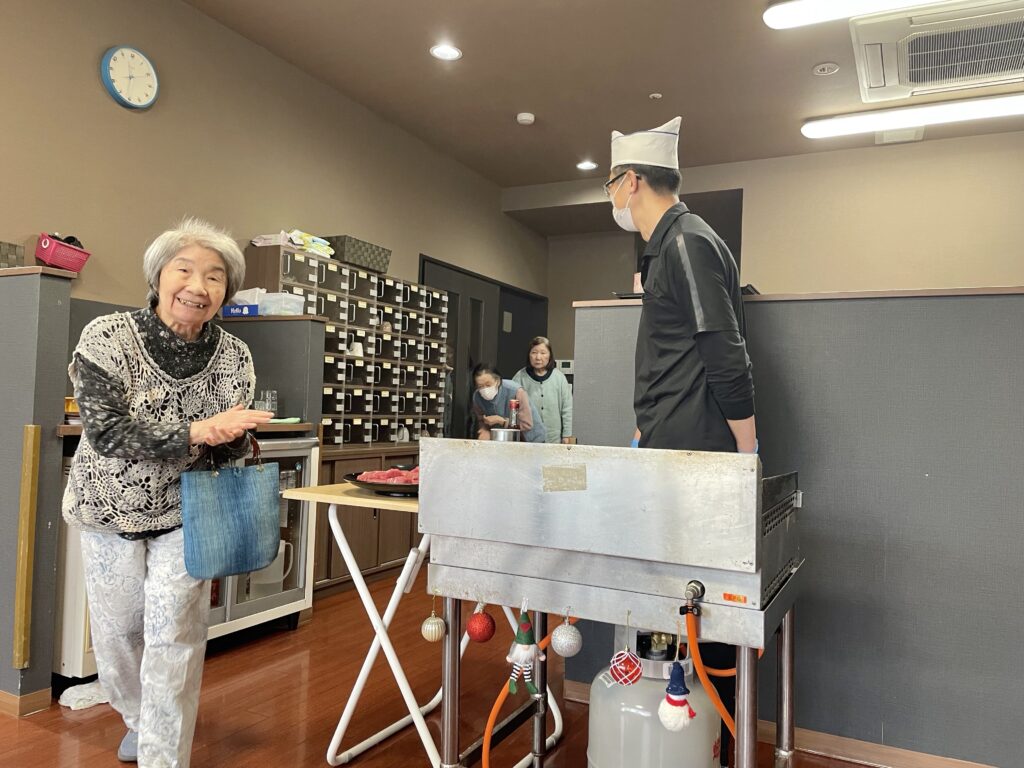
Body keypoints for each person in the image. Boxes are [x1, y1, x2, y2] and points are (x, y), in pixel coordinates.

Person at [62, 218, 273, 767]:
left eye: (215, 276)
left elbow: (226, 448)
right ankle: (137, 717)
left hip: (188, 510)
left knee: (175, 631)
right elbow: (108, 433)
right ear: (158, 276)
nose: (198, 287)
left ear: (226, 291)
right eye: (185, 270)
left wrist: (234, 436)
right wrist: (201, 430)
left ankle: (163, 753)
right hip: (108, 506)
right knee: (119, 634)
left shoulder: (235, 356)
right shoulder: (107, 337)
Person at [608, 117, 756, 764]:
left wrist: (747, 452)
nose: (612, 195)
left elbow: (724, 353)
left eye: (611, 183)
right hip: (669, 449)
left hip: (697, 462)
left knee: (704, 617)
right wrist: (645, 427)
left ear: (632, 181)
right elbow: (676, 354)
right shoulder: (668, 247)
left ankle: (715, 747)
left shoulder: (688, 243)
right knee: (677, 613)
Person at [512, 336, 573, 444]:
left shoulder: (559, 377)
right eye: (534, 352)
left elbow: (567, 408)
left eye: (543, 353)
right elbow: (512, 407)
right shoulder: (520, 377)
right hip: (527, 437)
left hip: (553, 438)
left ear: (550, 355)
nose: (538, 357)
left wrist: (566, 435)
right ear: (529, 355)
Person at [470, 362, 546, 443]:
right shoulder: (477, 397)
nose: (485, 389)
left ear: (498, 381)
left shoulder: (516, 391)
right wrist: (484, 430)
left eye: (488, 385)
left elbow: (526, 425)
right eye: (480, 386)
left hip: (531, 439)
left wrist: (502, 421)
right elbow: (481, 419)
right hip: (504, 439)